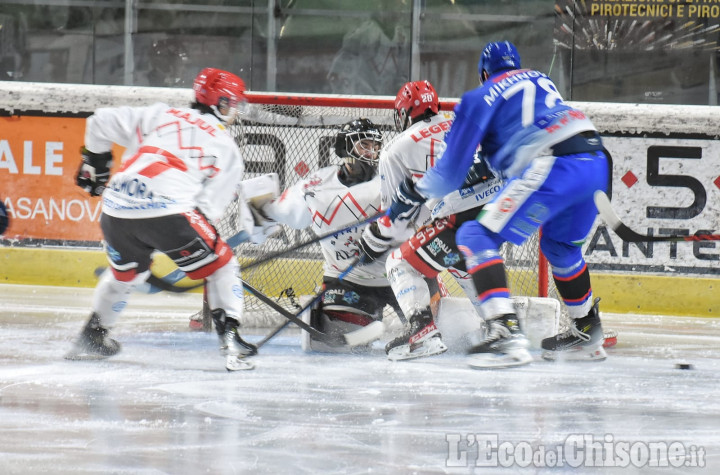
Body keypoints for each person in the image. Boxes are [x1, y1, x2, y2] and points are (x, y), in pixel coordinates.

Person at [383, 41, 610, 368]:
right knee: (560, 248)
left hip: (553, 164)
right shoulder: (538, 79)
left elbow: (448, 174)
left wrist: (414, 192)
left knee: (475, 236)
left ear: (484, 73)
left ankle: (505, 335)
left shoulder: (478, 98)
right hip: (595, 162)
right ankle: (587, 330)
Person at [68, 67, 257, 371]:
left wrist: (97, 165)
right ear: (221, 103)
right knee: (223, 266)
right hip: (170, 213)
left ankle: (92, 336)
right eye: (233, 104)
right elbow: (206, 211)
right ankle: (232, 341)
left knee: (124, 274)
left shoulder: (160, 113)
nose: (234, 110)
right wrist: (187, 247)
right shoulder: (227, 146)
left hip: (116, 208)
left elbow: (98, 122)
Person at [357, 80, 503, 361]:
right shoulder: (462, 123)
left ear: (404, 113)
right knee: (464, 265)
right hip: (493, 215)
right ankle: (501, 325)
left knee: (399, 262)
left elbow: (396, 217)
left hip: (456, 219)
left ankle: (422, 332)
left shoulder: (395, 149)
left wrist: (372, 240)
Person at [262, 118, 412, 353]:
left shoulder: (391, 179)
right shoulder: (316, 185)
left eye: (375, 146)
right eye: (364, 145)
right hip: (349, 280)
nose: (371, 152)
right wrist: (262, 212)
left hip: (402, 273)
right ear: (345, 148)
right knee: (332, 346)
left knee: (443, 336)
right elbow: (286, 212)